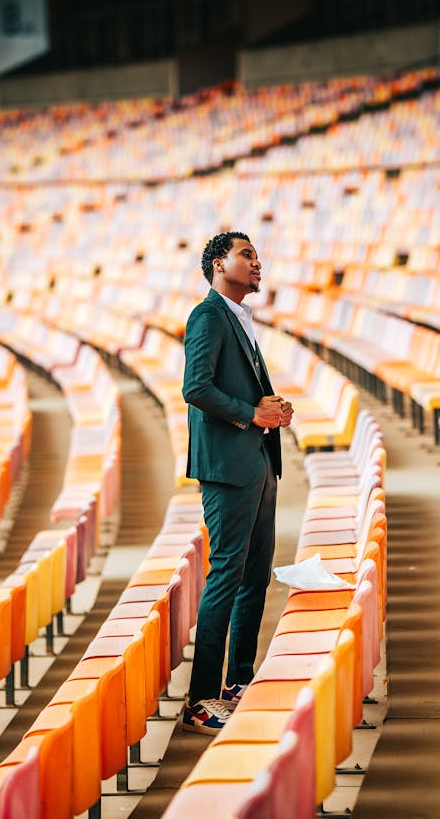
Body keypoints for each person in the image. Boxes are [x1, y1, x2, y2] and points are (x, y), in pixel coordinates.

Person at [181, 230, 293, 734]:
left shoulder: (239, 317)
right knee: (226, 574)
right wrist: (251, 414)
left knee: (254, 576)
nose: (257, 263)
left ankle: (239, 681)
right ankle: (201, 697)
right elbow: (196, 388)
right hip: (228, 465)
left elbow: (241, 387)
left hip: (256, 460)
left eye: (257, 256)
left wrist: (272, 409)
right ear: (217, 264)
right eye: (246, 255)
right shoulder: (208, 315)